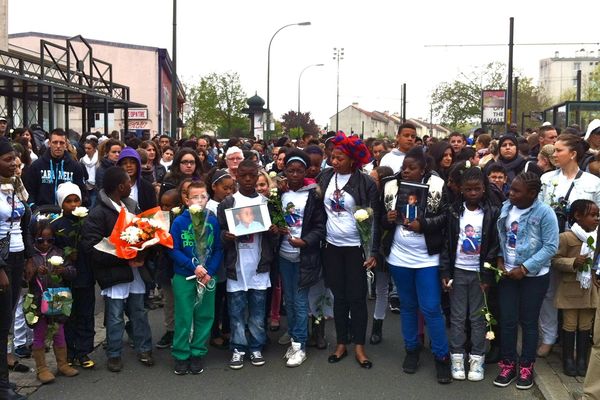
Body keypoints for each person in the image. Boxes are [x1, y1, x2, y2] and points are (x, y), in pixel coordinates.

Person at [380, 146, 450, 383]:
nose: (406, 172)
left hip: (426, 258)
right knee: (408, 305)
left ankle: (442, 356)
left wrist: (425, 224)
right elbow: (382, 218)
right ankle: (412, 349)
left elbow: (445, 217)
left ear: (424, 169)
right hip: (399, 257)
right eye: (404, 167)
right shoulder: (391, 185)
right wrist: (387, 219)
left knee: (431, 307)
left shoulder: (438, 186)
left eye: (412, 168)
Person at [81, 167, 153, 372]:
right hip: (114, 271)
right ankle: (113, 353)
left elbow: (144, 234)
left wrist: (143, 252)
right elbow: (91, 246)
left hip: (135, 271)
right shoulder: (98, 213)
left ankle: (144, 348)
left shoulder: (131, 207)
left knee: (139, 311)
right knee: (114, 315)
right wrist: (122, 255)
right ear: (121, 187)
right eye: (129, 182)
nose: (131, 185)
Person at [318, 132, 379, 369]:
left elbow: (375, 218)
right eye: (332, 157)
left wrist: (372, 251)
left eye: (340, 158)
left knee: (357, 298)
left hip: (356, 248)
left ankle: (360, 347)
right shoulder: (325, 177)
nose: (334, 162)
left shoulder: (365, 183)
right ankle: (342, 342)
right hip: (331, 247)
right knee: (339, 297)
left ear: (352, 160)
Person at [493, 172, 559, 390]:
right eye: (510, 189)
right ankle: (508, 364)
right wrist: (501, 260)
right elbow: (501, 237)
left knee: (529, 322)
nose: (510, 193)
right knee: (508, 320)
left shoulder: (545, 213)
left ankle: (526, 366)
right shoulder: (506, 208)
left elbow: (551, 246)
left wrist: (525, 267)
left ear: (532, 193)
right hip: (507, 275)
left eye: (516, 191)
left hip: (534, 277)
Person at [537, 133, 600, 357]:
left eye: (559, 150)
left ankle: (575, 341)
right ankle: (548, 337)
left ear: (572, 154)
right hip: (555, 242)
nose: (554, 154)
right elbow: (540, 213)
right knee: (549, 291)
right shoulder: (547, 180)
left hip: (583, 245)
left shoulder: (593, 182)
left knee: (580, 291)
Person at [439, 166, 500, 382]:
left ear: (484, 188)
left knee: (477, 318)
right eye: (468, 189)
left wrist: (487, 275)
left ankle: (477, 357)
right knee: (456, 318)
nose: (473, 193)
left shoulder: (492, 212)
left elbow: (493, 244)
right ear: (461, 190)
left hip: (478, 274)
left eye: (477, 189)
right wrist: (445, 270)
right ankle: (457, 356)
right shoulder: (454, 211)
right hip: (458, 270)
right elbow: (447, 243)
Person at [217, 160, 278, 370]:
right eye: (244, 176)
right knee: (236, 310)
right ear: (237, 177)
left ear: (257, 175)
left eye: (252, 175)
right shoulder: (228, 203)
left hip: (259, 266)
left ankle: (256, 346)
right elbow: (219, 235)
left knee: (258, 310)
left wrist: (273, 232)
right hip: (236, 266)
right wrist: (226, 236)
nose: (249, 179)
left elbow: (276, 237)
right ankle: (238, 348)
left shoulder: (266, 202)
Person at [276, 149, 325, 367]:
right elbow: (275, 218)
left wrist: (305, 242)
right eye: (291, 170)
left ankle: (300, 345)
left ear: (305, 171)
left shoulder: (313, 194)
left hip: (304, 255)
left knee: (300, 300)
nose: (295, 174)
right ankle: (295, 335)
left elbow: (320, 227)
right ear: (284, 170)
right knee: (289, 299)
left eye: (299, 170)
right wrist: (276, 229)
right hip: (284, 255)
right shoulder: (280, 193)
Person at [169, 180, 223, 375]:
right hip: (185, 276)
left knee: (205, 315)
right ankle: (181, 354)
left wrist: (209, 271)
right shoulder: (180, 221)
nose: (199, 200)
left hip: (207, 276)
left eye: (203, 196)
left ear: (208, 198)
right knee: (184, 315)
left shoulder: (213, 220)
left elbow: (217, 248)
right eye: (194, 197)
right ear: (186, 199)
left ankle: (198, 351)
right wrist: (193, 266)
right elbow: (173, 249)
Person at [28, 218, 79, 383]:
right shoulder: (30, 257)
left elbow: (73, 273)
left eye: (50, 240)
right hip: (37, 299)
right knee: (40, 333)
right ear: (34, 239)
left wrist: (63, 270)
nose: (45, 243)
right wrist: (35, 271)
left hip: (58, 297)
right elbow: (23, 280)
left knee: (59, 332)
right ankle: (41, 368)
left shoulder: (59, 252)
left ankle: (62, 364)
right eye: (40, 240)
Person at [552, 199, 599, 377]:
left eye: (598, 215)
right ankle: (568, 360)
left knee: (586, 325)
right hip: (570, 289)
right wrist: (572, 262)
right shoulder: (566, 237)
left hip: (589, 289)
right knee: (570, 324)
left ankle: (582, 360)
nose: (597, 218)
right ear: (578, 216)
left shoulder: (597, 237)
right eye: (592, 215)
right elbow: (555, 260)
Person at [51, 183, 96, 369]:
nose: (73, 204)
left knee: (85, 313)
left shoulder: (88, 221)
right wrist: (65, 256)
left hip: (85, 274)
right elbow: (51, 250)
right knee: (66, 315)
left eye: (76, 200)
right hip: (65, 278)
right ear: (61, 204)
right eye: (68, 201)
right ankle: (68, 351)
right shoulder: (55, 225)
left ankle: (83, 351)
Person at [0, 138, 32, 400]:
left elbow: (23, 224)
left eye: (14, 159)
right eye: (7, 159)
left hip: (17, 255)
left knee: (7, 320)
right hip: (2, 261)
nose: (14, 164)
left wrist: (29, 257)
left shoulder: (14, 185)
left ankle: (4, 381)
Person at [205, 170, 234, 349]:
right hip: (216, 256)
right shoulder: (209, 207)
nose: (229, 191)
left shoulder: (232, 203)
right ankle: (214, 331)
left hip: (230, 254)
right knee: (216, 296)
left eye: (232, 188)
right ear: (214, 187)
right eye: (225, 188)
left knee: (228, 294)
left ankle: (227, 328)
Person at [24, 128, 88, 209]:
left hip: (67, 214)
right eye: (55, 142)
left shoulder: (75, 167)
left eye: (61, 143)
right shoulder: (37, 166)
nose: (58, 146)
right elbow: (30, 191)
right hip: (42, 213)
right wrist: (33, 207)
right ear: (49, 143)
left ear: (66, 145)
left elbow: (82, 192)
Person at [368, 165, 394, 345]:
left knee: (386, 289)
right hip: (376, 249)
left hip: (391, 248)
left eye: (374, 179)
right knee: (380, 288)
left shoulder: (391, 199)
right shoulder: (370, 197)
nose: (370, 182)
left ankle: (378, 325)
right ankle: (373, 326)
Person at [154, 189, 181, 351]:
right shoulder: (157, 221)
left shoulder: (181, 220)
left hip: (181, 268)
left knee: (183, 302)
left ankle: (184, 332)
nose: (164, 209)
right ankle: (170, 331)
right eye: (162, 205)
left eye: (168, 206)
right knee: (169, 302)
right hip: (165, 268)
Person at [117, 147, 157, 212]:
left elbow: (152, 212)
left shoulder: (147, 187)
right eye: (124, 163)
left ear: (138, 165)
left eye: (132, 162)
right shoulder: (115, 187)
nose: (129, 165)